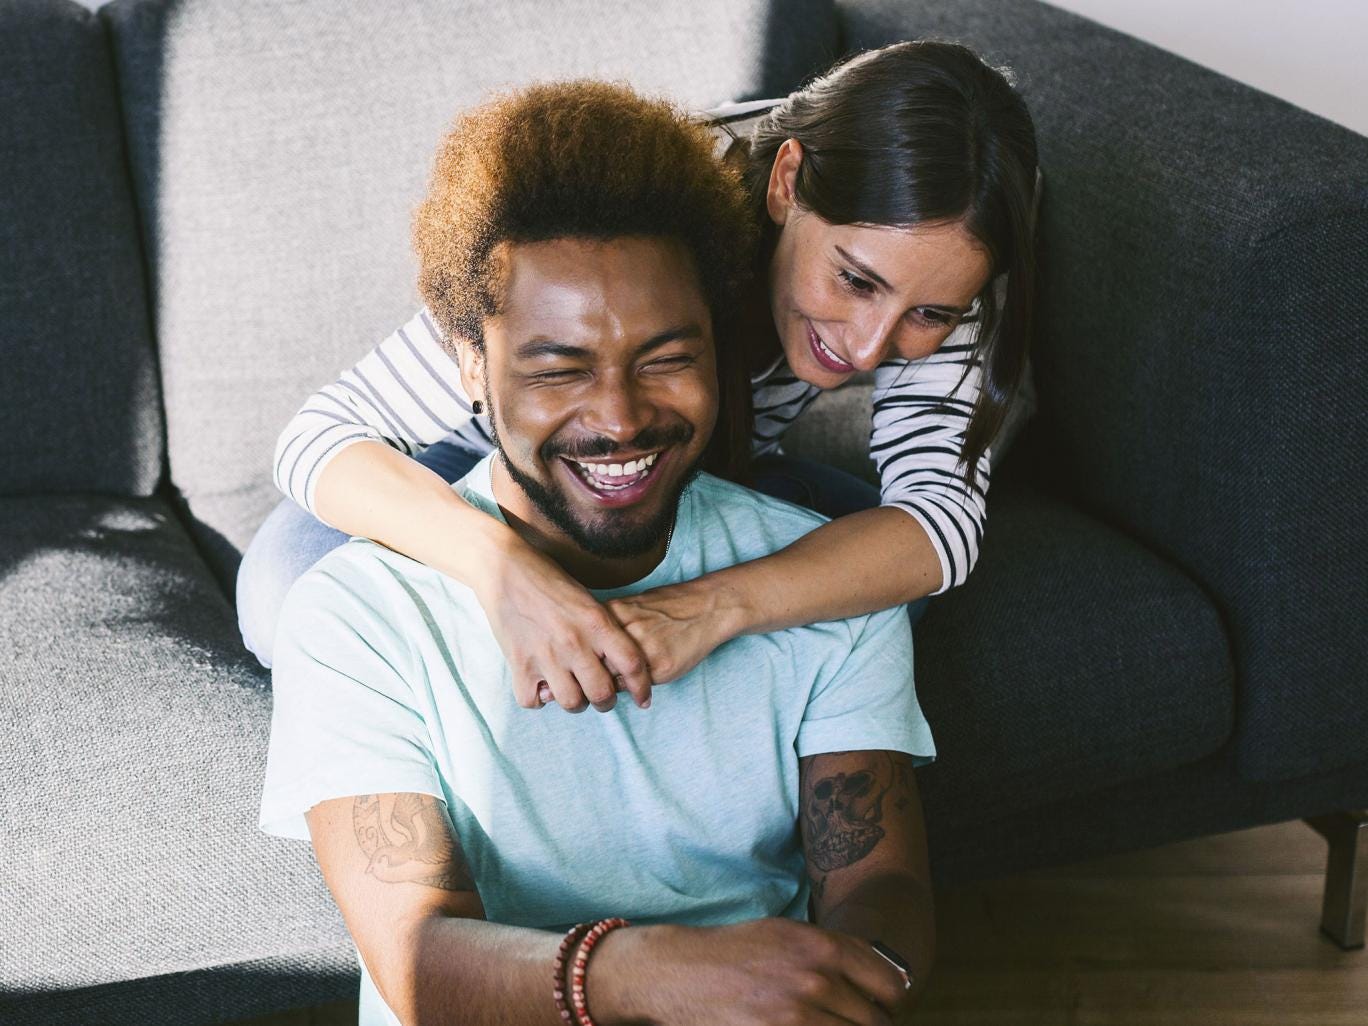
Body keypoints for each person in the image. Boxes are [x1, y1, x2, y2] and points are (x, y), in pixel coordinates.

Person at [259, 81, 936, 1026]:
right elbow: (421, 963)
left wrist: (848, 978)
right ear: (467, 364)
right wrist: (647, 976)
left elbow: (880, 885)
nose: (619, 418)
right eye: (559, 368)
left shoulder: (830, 579)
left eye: (667, 358)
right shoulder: (355, 618)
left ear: (719, 343)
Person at [238, 39, 1039, 711]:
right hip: (487, 468)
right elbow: (320, 433)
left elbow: (939, 527)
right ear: (787, 181)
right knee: (287, 594)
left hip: (695, 473)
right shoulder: (643, 206)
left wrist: (710, 608)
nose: (867, 350)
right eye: (855, 281)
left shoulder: (946, 267)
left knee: (884, 584)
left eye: (926, 315)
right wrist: (503, 571)